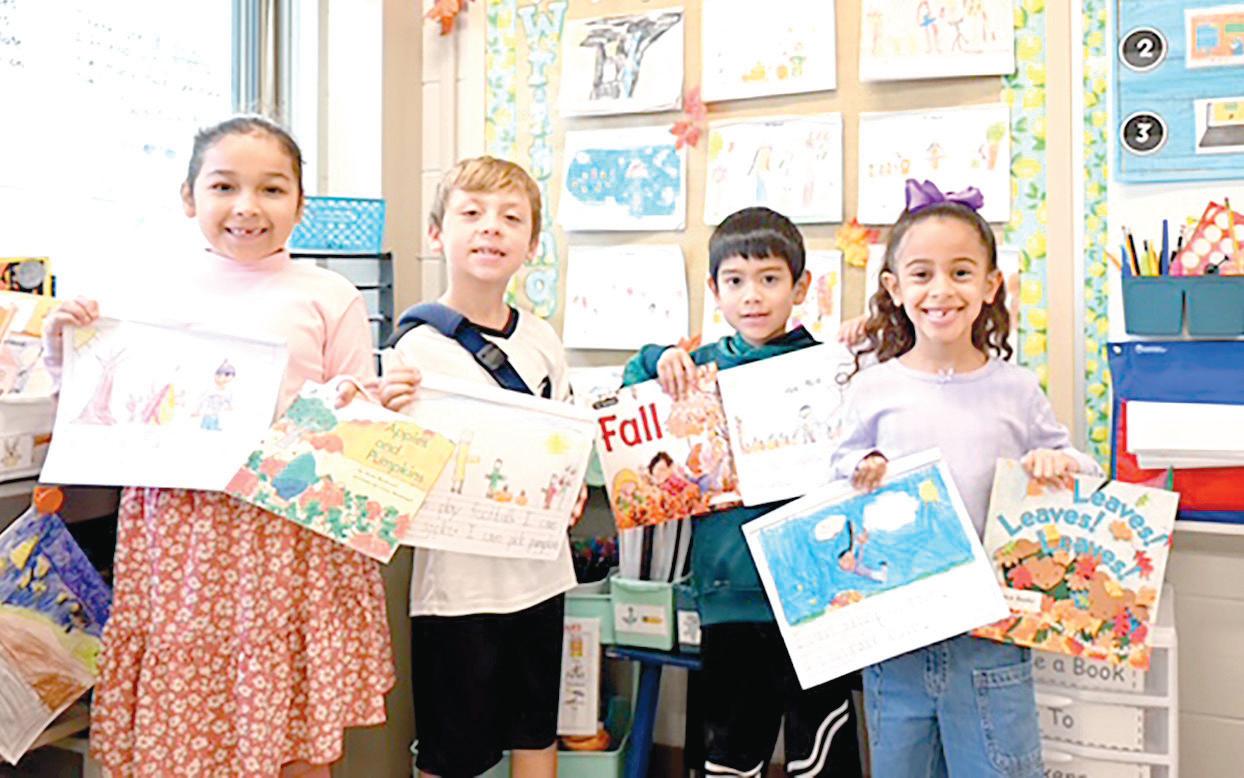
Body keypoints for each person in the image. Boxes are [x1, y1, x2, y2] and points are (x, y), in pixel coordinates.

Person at [42, 116, 394, 777]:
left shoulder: (329, 295)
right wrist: (65, 348)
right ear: (188, 197)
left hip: (289, 539)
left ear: (300, 205)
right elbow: (102, 410)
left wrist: (378, 404)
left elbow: (358, 419)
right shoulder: (146, 292)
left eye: (272, 189)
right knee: (185, 725)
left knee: (294, 724)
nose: (247, 207)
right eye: (225, 186)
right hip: (182, 542)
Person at [831, 179, 1102, 777]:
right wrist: (859, 469)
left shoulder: (1016, 388)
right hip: (896, 633)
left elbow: (1086, 469)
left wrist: (1058, 464)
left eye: (960, 272)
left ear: (990, 285)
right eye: (921, 274)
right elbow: (836, 474)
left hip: (992, 635)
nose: (941, 291)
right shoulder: (873, 388)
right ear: (894, 289)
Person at [623, 206, 863, 778]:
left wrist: (867, 341)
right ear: (715, 290)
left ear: (800, 287)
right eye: (735, 281)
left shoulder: (828, 366)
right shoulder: (701, 370)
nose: (752, 295)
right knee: (731, 751)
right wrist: (660, 358)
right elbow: (631, 388)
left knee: (823, 749)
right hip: (729, 590)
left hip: (817, 590)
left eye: (769, 279)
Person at [370, 156, 584, 778]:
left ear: (532, 245)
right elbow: (389, 476)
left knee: (536, 731)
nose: (491, 227)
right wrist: (380, 416)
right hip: (456, 592)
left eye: (511, 218)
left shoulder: (543, 339)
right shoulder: (413, 349)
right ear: (437, 233)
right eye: (472, 213)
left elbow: (564, 441)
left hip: (542, 575)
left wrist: (571, 491)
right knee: (451, 753)